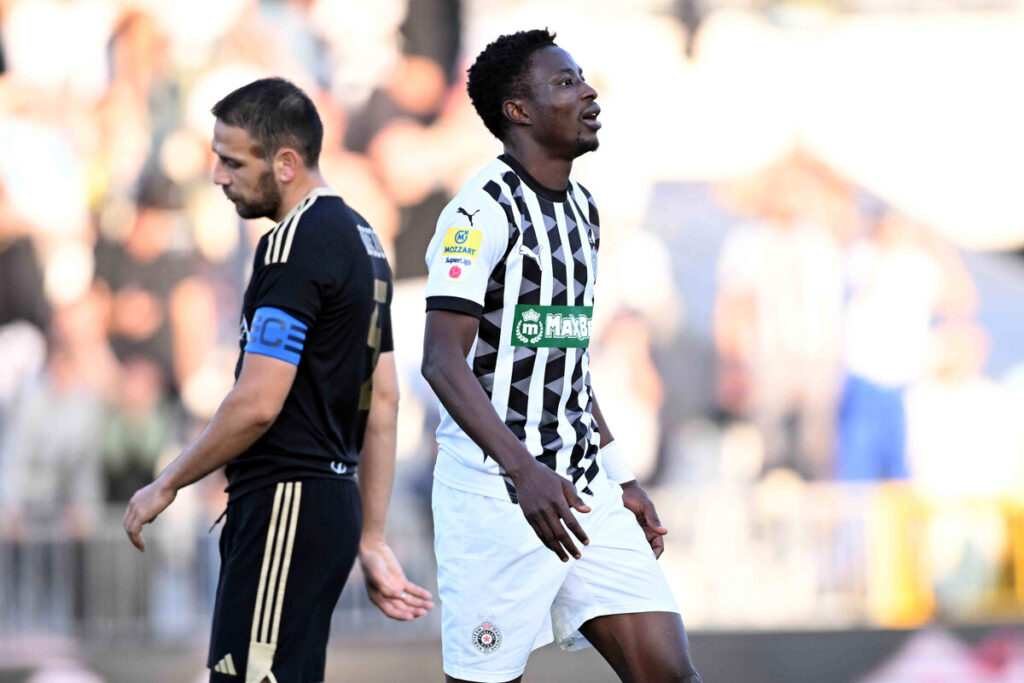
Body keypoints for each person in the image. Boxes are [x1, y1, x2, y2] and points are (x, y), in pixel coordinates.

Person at [122, 78, 433, 682]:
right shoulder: (362, 238)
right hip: (329, 505)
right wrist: (369, 536)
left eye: (232, 160)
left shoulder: (293, 244)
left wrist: (167, 483)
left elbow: (259, 402)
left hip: (286, 503)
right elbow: (385, 399)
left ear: (286, 163)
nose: (217, 176)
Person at [421, 30, 701, 683]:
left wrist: (620, 474)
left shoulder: (583, 210)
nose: (588, 92)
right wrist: (524, 470)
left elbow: (564, 360)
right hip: (498, 496)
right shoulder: (478, 212)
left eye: (582, 79)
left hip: (580, 490)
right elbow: (441, 360)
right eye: (566, 83)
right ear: (518, 110)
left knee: (670, 672)